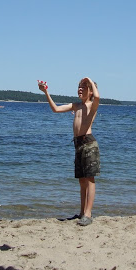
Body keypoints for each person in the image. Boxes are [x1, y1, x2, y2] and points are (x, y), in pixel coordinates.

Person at [38, 77, 100, 226]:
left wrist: (90, 81)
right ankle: (81, 212)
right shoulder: (76, 106)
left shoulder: (92, 105)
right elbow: (56, 109)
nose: (80, 89)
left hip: (89, 143)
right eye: (79, 87)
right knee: (81, 181)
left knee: (90, 179)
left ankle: (88, 214)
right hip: (78, 145)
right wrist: (46, 92)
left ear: (90, 91)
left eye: (83, 87)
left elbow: (97, 96)